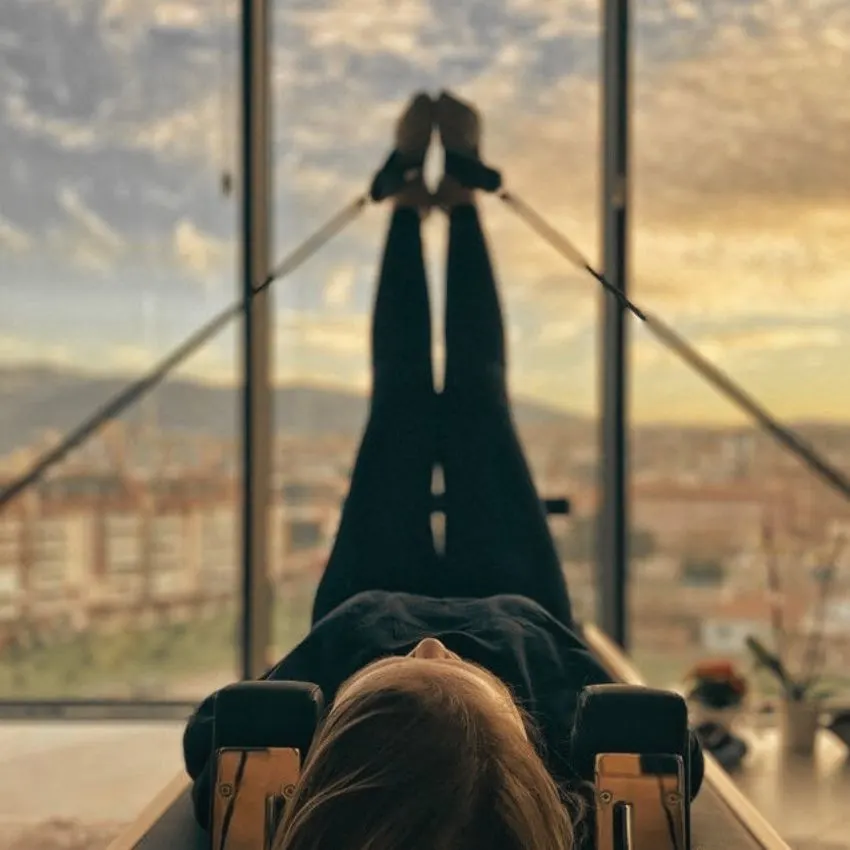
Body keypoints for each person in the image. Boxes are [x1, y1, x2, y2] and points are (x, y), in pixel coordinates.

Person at [183, 91, 704, 850]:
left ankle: (407, 207)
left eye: (399, 677)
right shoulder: (563, 738)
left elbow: (213, 735)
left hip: (365, 597)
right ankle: (456, 204)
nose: (429, 650)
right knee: (473, 401)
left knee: (402, 403)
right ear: (523, 749)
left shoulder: (313, 725)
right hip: (515, 595)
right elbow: (670, 749)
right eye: (455, 674)